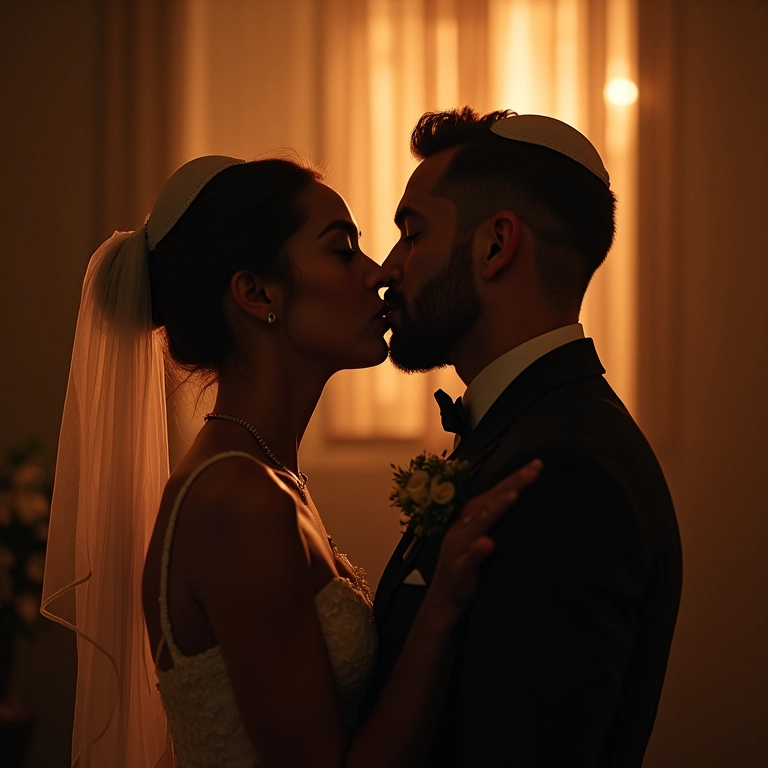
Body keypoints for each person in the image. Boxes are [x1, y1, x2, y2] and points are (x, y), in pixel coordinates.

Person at [41, 154, 543, 767]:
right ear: (256, 293)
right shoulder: (236, 500)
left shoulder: (270, 477)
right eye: (342, 250)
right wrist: (441, 604)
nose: (378, 274)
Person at [370, 108, 683, 767]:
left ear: (495, 246)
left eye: (412, 232)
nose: (388, 267)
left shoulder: (566, 475)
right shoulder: (526, 429)